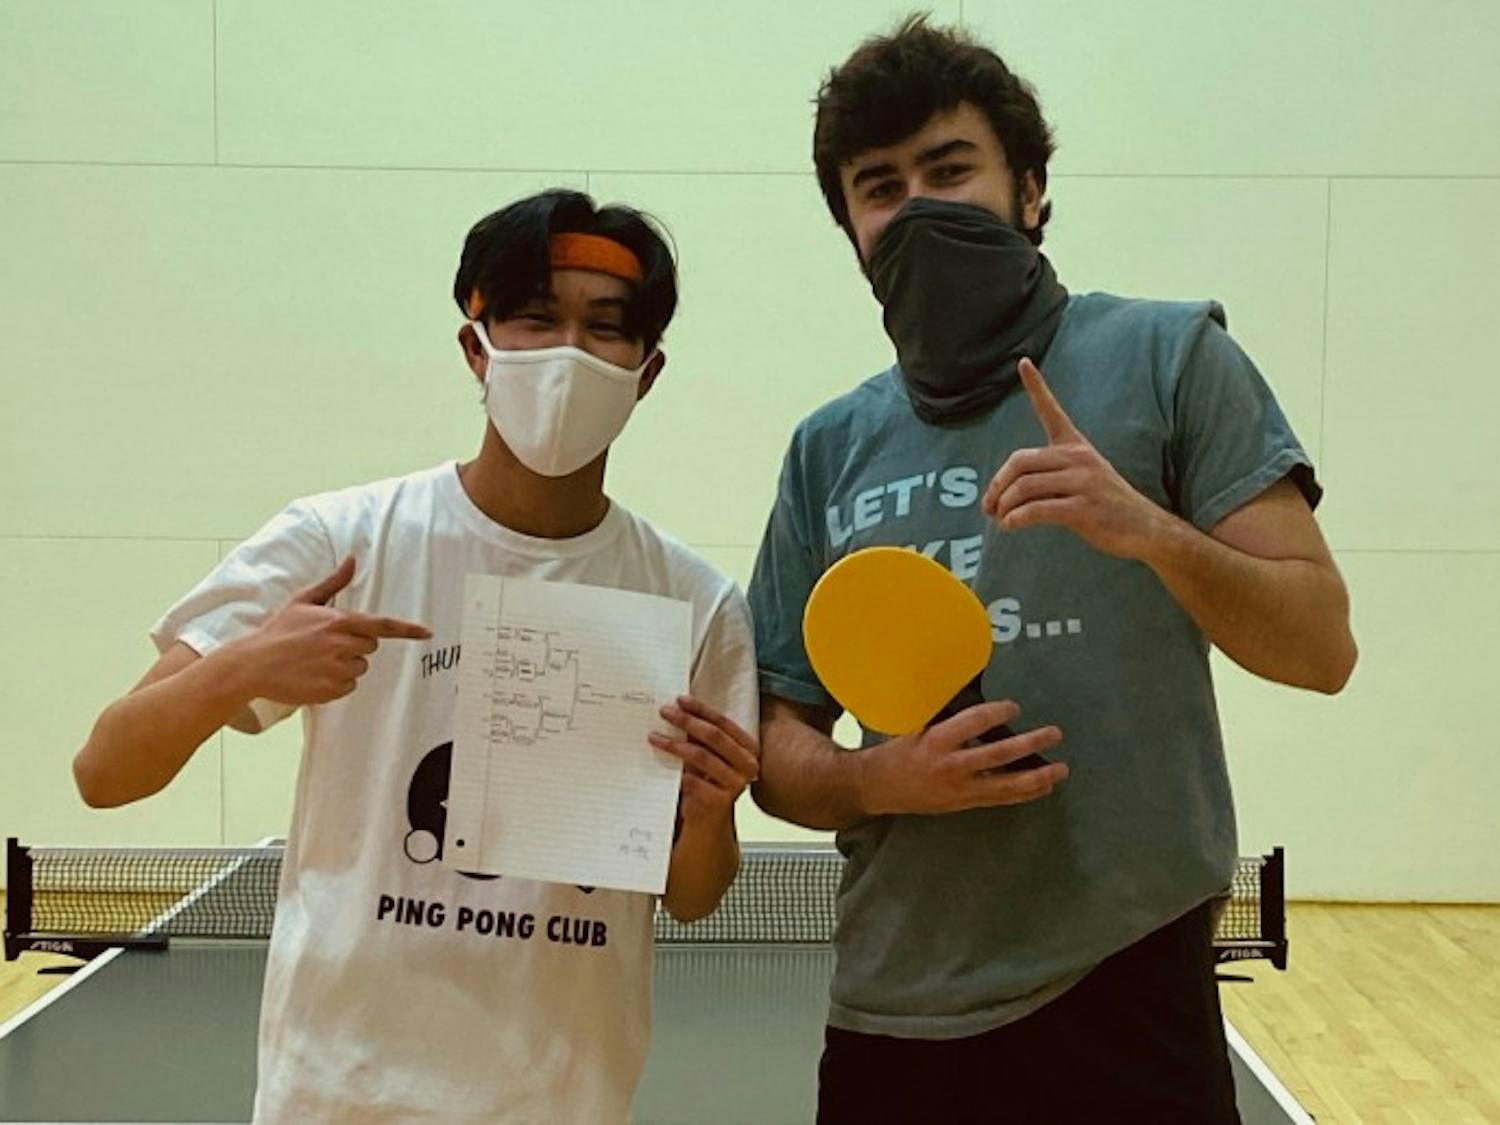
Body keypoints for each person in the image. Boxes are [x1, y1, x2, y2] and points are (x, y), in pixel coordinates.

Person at [747, 17, 1357, 1124]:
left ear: (1030, 189)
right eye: (881, 188)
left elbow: (1321, 646)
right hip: (893, 1010)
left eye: (950, 169)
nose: (918, 208)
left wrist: (1152, 533)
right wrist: (878, 781)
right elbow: (776, 749)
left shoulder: (1170, 358)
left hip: (1124, 986)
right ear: (851, 229)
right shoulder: (827, 447)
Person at [71, 189, 761, 1123]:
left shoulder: (696, 602)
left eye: (605, 328)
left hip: (562, 1101)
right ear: (476, 345)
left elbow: (691, 896)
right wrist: (242, 667)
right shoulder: (340, 539)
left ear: (648, 370)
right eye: (534, 317)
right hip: (337, 1096)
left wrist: (712, 816)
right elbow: (104, 770)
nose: (568, 352)